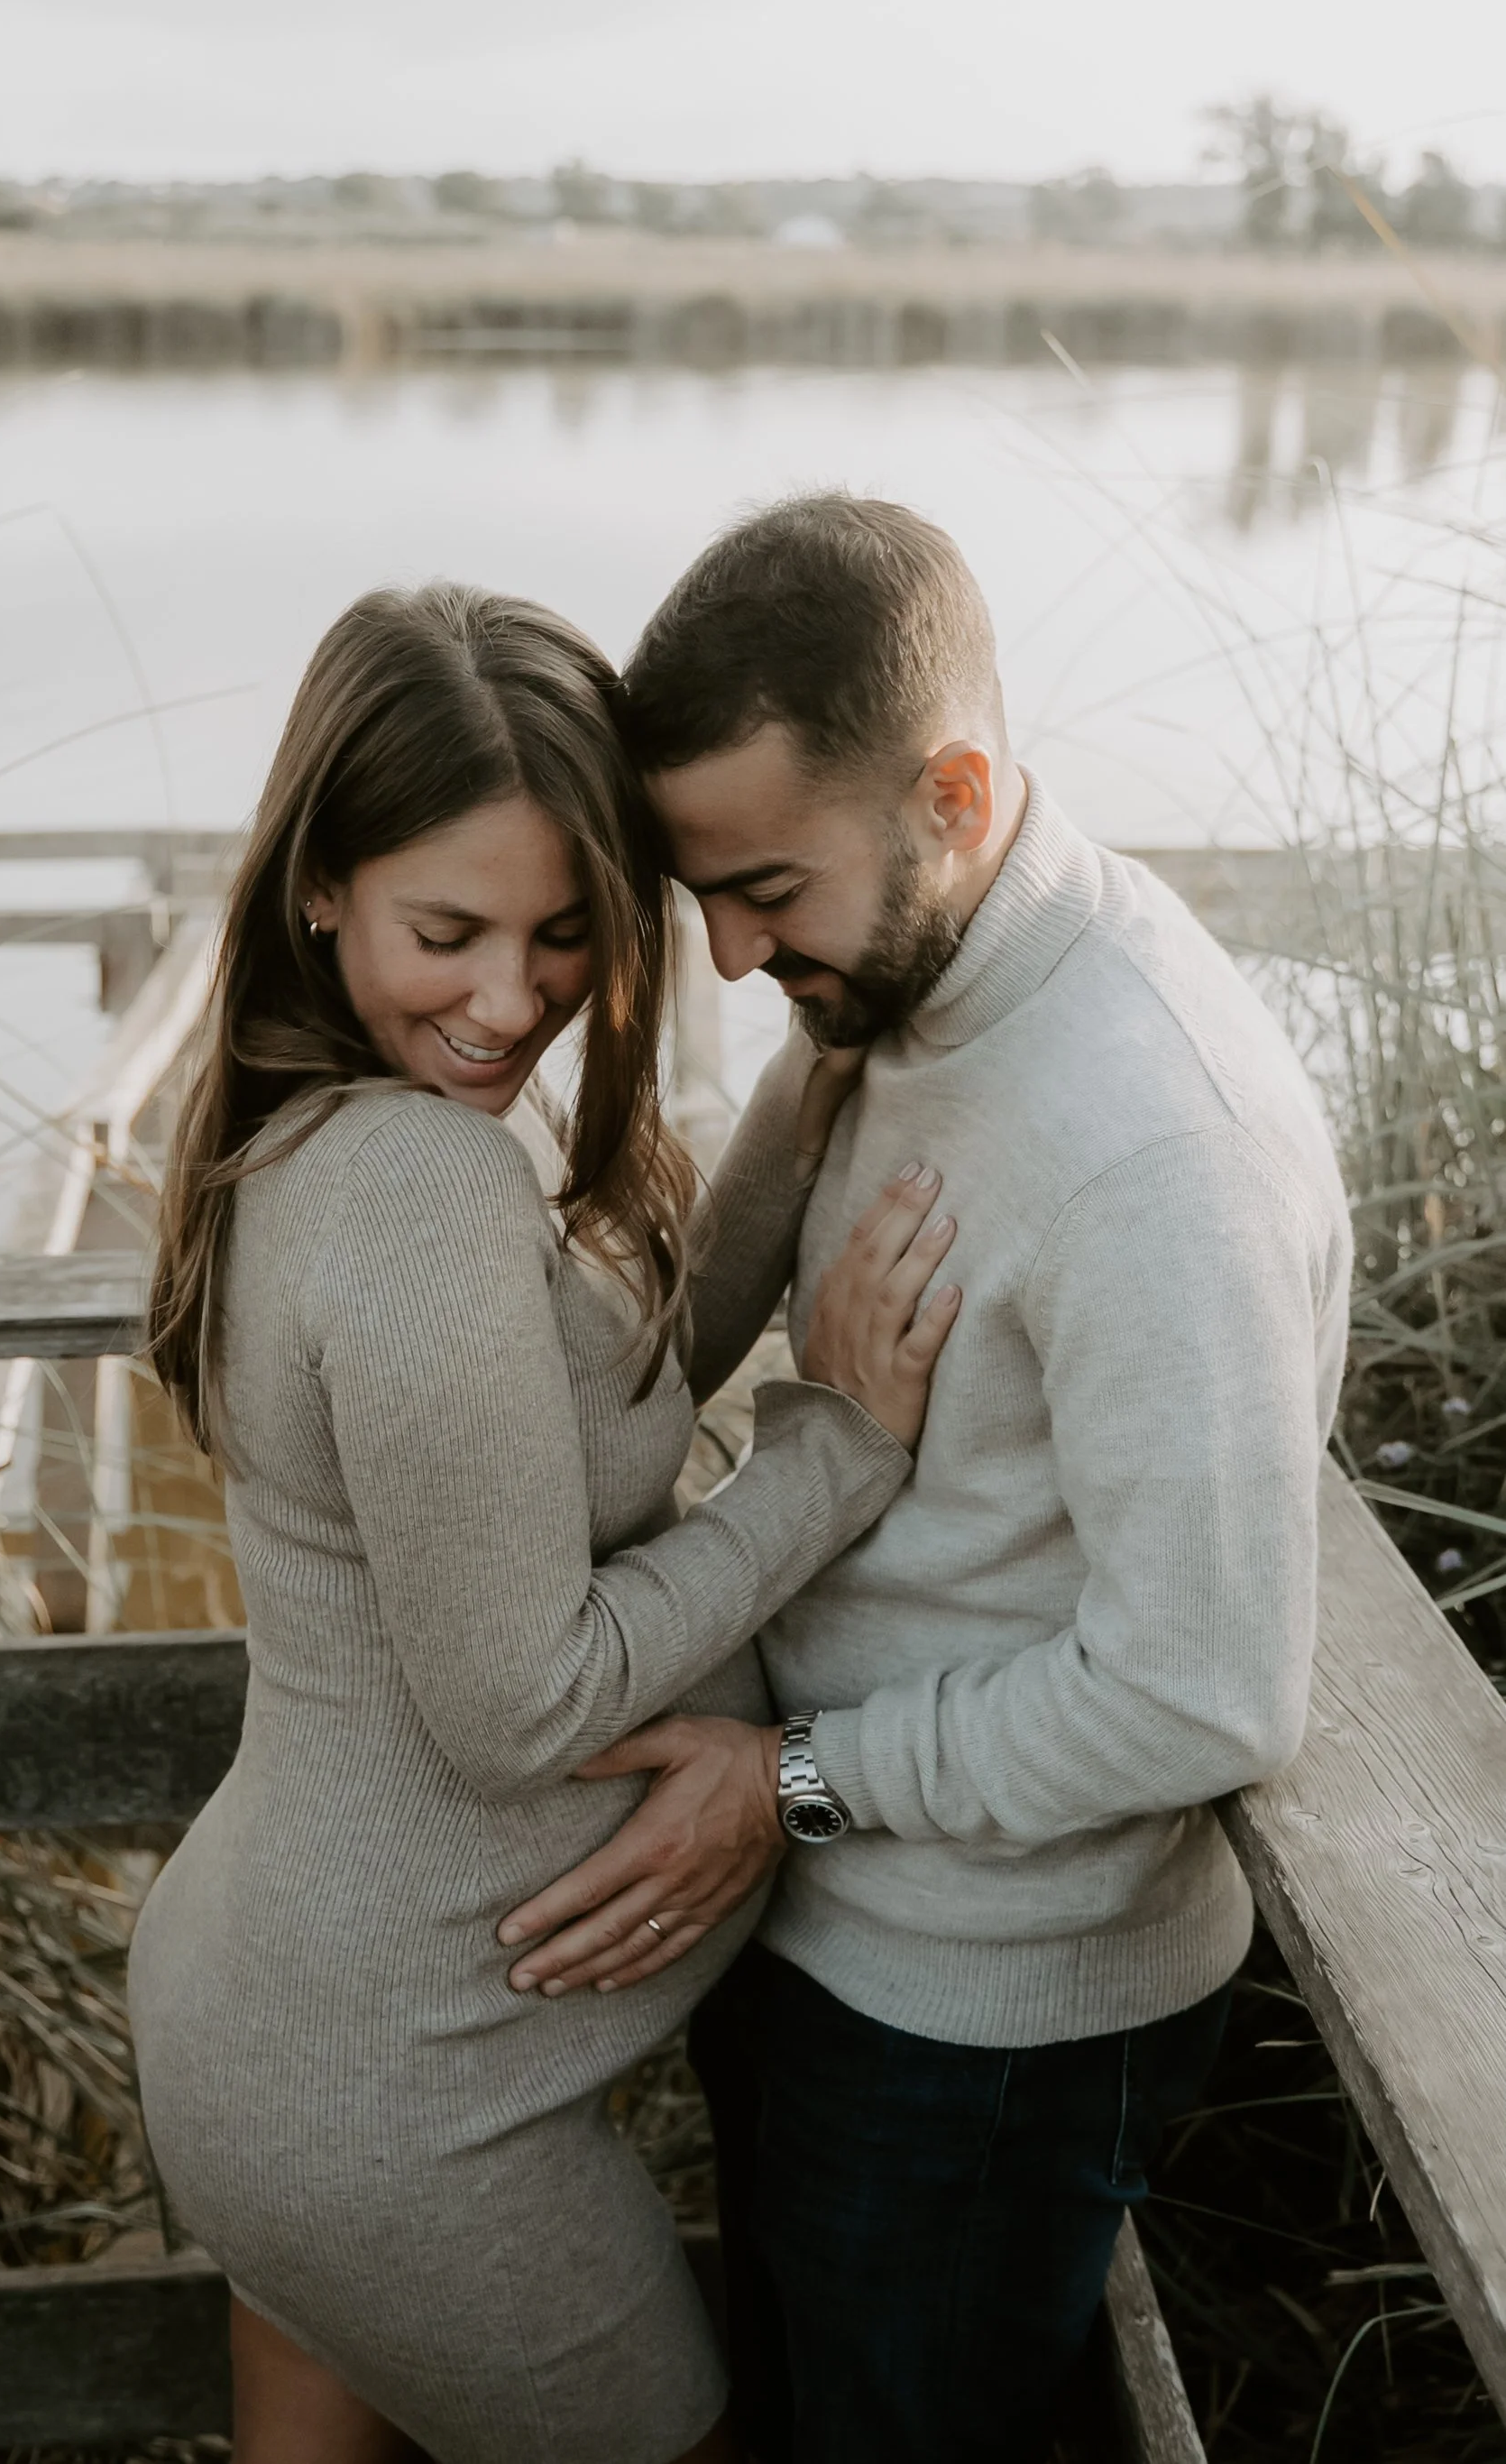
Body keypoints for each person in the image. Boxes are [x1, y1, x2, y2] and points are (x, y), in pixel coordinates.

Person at [498, 494, 1354, 2464]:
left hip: (981, 2019)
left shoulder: (1155, 1150)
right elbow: (679, 1334)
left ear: (952, 796)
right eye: (702, 895)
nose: (728, 954)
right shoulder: (904, 980)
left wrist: (789, 1782)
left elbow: (1206, 1688)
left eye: (763, 889)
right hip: (810, 1920)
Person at [127, 580, 960, 2464]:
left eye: (567, 933)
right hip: (400, 2108)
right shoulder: (417, 1183)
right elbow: (521, 1701)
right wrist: (831, 1454)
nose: (510, 1000)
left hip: (295, 2032)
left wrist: (815, 1080)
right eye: (450, 933)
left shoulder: (329, 1117)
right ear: (320, 885)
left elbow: (592, 1392)